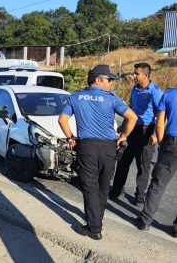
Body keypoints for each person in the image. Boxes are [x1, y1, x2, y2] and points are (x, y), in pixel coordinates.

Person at [58, 65, 137, 240]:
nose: (111, 83)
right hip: (109, 148)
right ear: (98, 80)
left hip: (87, 148)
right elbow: (133, 117)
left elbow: (62, 120)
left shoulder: (76, 97)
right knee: (103, 187)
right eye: (109, 80)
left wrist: (71, 137)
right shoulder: (111, 98)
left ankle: (94, 228)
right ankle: (97, 221)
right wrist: (122, 137)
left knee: (90, 188)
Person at [109, 63, 164, 206]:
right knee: (123, 160)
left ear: (145, 75)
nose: (133, 76)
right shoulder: (135, 89)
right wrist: (123, 125)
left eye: (136, 74)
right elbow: (131, 107)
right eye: (134, 73)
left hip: (146, 130)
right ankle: (117, 189)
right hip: (131, 129)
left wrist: (155, 134)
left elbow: (162, 114)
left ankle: (140, 195)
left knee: (143, 165)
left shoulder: (155, 92)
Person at [135, 88, 177, 238]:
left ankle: (145, 220)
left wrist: (161, 145)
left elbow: (160, 125)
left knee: (159, 182)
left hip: (172, 143)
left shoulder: (169, 94)